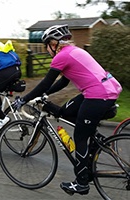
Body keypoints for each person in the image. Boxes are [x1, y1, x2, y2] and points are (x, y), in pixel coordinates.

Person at [13, 24, 122, 195]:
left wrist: (24, 99)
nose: (47, 49)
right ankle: (92, 147)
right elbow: (62, 82)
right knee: (66, 112)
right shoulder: (74, 51)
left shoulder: (61, 56)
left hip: (97, 95)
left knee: (80, 136)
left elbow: (45, 82)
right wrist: (43, 95)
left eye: (46, 45)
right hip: (104, 90)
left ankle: (81, 183)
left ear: (53, 43)